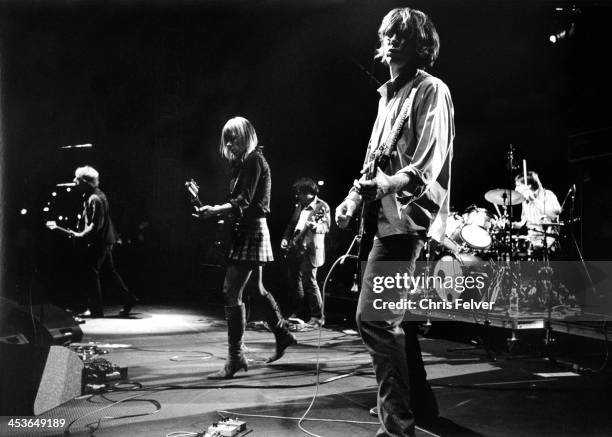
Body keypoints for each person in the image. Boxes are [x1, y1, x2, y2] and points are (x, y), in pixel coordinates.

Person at [334, 7, 454, 437]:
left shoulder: (431, 90)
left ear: (421, 45)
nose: (392, 40)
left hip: (406, 221)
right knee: (392, 321)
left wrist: (388, 184)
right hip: (379, 219)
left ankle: (397, 426)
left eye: (402, 34)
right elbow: (373, 163)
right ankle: (419, 406)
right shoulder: (388, 98)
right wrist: (350, 199)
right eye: (389, 33)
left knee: (375, 320)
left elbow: (428, 160)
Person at [197, 116, 296, 379]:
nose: (229, 143)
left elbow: (243, 201)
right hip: (250, 230)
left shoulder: (253, 160)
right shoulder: (244, 163)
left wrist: (216, 210)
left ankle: (236, 358)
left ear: (246, 135)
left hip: (251, 232)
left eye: (234, 137)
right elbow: (242, 204)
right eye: (226, 137)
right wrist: (217, 213)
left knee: (231, 291)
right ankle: (282, 333)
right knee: (255, 288)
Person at [69, 165, 138, 318]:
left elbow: (95, 225)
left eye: (77, 179)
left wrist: (80, 235)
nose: (74, 181)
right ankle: (128, 299)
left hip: (99, 241)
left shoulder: (95, 198)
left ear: (86, 182)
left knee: (91, 273)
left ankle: (96, 310)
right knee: (109, 271)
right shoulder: (95, 195)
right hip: (105, 240)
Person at [281, 178, 330, 327]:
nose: (297, 196)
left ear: (309, 193)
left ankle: (317, 316)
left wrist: (315, 227)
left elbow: (326, 227)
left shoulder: (322, 206)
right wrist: (285, 238)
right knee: (294, 282)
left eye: (300, 193)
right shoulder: (299, 205)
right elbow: (292, 224)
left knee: (310, 283)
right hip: (295, 247)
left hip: (309, 249)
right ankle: (300, 312)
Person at [514, 171, 562, 251]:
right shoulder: (524, 201)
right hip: (532, 240)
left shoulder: (548, 195)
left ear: (528, 186)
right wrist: (510, 225)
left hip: (548, 241)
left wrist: (533, 200)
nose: (516, 189)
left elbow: (554, 215)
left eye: (518, 186)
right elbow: (523, 223)